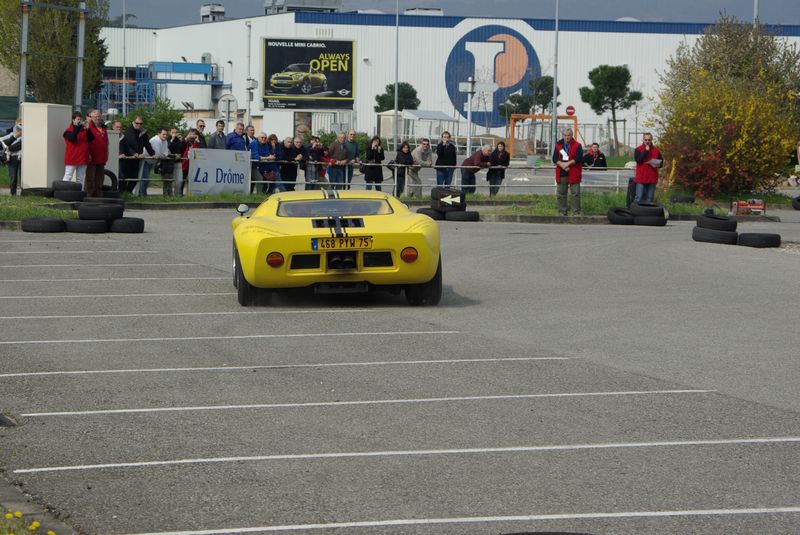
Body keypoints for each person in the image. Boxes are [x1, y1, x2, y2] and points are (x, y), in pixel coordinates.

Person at [552, 127, 583, 216]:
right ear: (563, 135)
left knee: (575, 193)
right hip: (562, 172)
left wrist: (568, 164)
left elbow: (578, 157)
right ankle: (562, 211)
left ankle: (576, 212)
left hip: (574, 172)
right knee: (561, 193)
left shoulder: (577, 145)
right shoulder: (558, 145)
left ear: (572, 135)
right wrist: (562, 165)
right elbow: (554, 158)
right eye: (565, 135)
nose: (567, 137)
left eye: (568, 135)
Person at [119, 116, 154, 193]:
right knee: (124, 177)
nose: (139, 125)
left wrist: (153, 154)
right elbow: (129, 145)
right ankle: (123, 193)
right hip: (127, 158)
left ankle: (128, 192)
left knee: (135, 177)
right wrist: (134, 153)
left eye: (141, 123)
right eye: (137, 123)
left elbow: (147, 144)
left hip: (136, 158)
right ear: (133, 123)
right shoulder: (129, 132)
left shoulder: (142, 132)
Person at [62, 111, 94, 185]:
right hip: (72, 158)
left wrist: (88, 129)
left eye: (80, 119)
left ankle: (80, 194)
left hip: (83, 158)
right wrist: (78, 127)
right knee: (68, 176)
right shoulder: (68, 131)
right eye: (78, 119)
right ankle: (63, 192)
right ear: (73, 120)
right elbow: (73, 138)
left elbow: (91, 139)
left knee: (80, 178)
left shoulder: (84, 130)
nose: (79, 121)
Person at [633, 132, 663, 203]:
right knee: (638, 198)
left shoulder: (656, 150)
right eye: (645, 140)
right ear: (643, 140)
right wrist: (646, 151)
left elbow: (661, 162)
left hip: (652, 178)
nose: (647, 142)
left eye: (649, 140)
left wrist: (659, 164)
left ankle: (647, 214)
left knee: (649, 199)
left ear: (651, 140)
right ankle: (635, 212)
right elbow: (638, 160)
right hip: (641, 177)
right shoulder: (638, 149)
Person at [85, 109, 108, 198]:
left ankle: (98, 195)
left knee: (100, 178)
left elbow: (106, 143)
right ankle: (88, 195)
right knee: (90, 178)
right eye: (95, 117)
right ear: (91, 117)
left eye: (98, 116)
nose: (97, 118)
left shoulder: (104, 128)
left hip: (101, 157)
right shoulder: (88, 127)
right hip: (92, 157)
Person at [140, 128, 169, 196]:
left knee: (146, 179)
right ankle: (141, 194)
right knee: (145, 178)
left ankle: (143, 194)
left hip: (151, 161)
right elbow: (157, 153)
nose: (165, 136)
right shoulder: (155, 140)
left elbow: (166, 152)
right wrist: (162, 155)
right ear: (159, 134)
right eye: (163, 134)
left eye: (166, 134)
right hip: (145, 160)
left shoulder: (165, 141)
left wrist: (163, 155)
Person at [180, 129, 203, 194]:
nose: (192, 135)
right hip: (185, 163)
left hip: (193, 164)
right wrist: (187, 137)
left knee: (191, 180)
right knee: (183, 179)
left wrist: (197, 141)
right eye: (191, 134)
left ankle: (190, 193)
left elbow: (197, 150)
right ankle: (180, 193)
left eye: (194, 134)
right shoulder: (186, 141)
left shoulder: (197, 142)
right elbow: (182, 144)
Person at [0, 125, 22, 195]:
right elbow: (3, 142)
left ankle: (24, 194)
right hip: (12, 158)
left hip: (22, 158)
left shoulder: (26, 136)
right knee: (13, 178)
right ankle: (13, 194)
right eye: (18, 127)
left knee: (23, 178)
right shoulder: (11, 135)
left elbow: (20, 145)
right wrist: (15, 136)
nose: (19, 129)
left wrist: (10, 148)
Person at [165, 127, 186, 196]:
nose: (174, 134)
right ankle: (168, 196)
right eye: (172, 132)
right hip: (169, 162)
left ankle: (178, 195)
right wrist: (172, 139)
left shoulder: (179, 140)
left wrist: (182, 141)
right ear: (169, 133)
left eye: (175, 132)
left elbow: (182, 150)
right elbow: (168, 147)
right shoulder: (167, 140)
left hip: (178, 162)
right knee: (169, 181)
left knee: (179, 180)